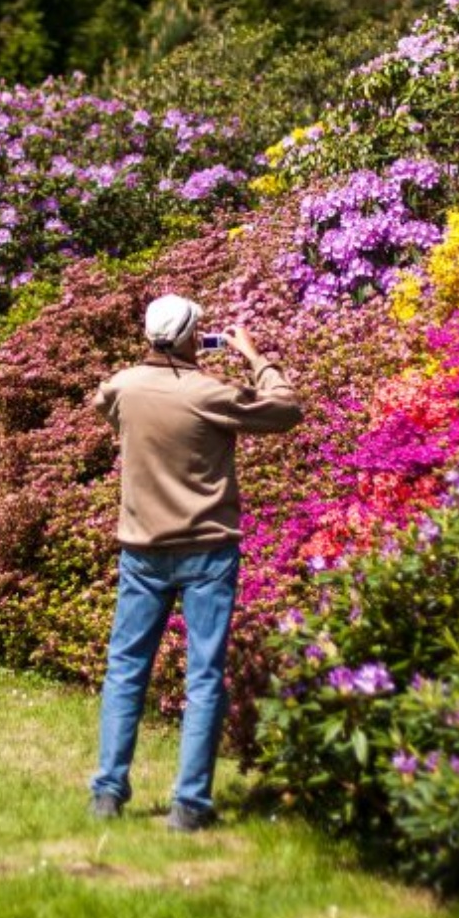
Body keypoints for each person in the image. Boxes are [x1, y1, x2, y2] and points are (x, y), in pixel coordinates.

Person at [89, 293, 302, 832]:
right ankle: (189, 805)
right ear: (189, 338)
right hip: (207, 550)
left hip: (142, 551)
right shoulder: (211, 393)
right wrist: (254, 356)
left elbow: (104, 401)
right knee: (203, 676)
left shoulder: (124, 386)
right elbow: (285, 409)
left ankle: (108, 792)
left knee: (126, 669)